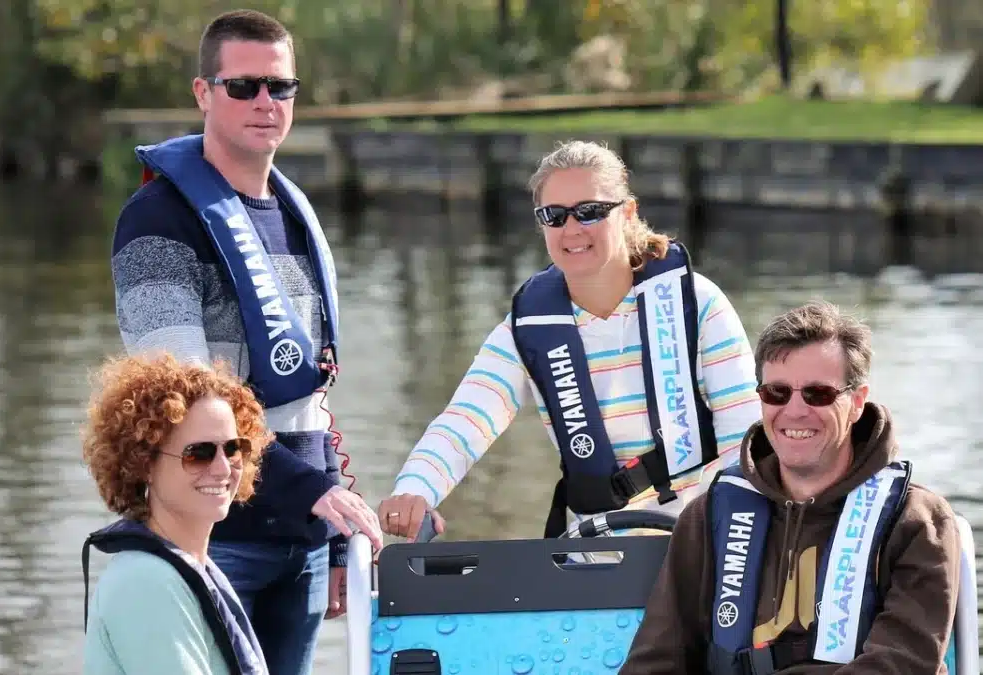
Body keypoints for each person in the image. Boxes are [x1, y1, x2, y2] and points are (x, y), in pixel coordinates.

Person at [108, 9, 382, 675]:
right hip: (211, 535)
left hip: (304, 541)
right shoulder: (158, 220)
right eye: (243, 87)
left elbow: (306, 390)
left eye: (280, 87)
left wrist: (331, 517)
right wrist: (314, 493)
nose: (265, 102)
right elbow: (182, 393)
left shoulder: (293, 213)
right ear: (204, 93)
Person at [379, 140, 762, 540]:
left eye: (591, 212)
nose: (573, 229)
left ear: (627, 213)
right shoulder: (526, 329)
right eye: (555, 216)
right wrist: (414, 490)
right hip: (594, 555)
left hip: (699, 546)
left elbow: (745, 436)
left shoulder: (696, 304)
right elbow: (466, 420)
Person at [619, 300, 962, 675]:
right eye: (777, 393)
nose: (795, 411)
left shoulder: (916, 520)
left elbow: (902, 664)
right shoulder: (708, 514)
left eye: (818, 394)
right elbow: (655, 661)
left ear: (857, 402)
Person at [80, 353, 270, 675]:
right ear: (144, 465)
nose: (223, 468)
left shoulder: (191, 567)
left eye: (233, 448)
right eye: (198, 454)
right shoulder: (146, 583)